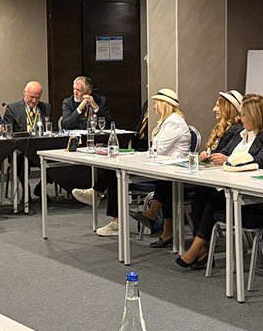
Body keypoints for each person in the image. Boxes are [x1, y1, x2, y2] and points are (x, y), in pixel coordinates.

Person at [176, 93, 263, 269]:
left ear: (254, 115)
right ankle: (203, 250)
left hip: (253, 193)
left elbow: (261, 161)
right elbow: (224, 151)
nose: (240, 118)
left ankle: (195, 249)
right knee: (199, 196)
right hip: (231, 184)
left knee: (213, 201)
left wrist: (228, 160)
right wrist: (209, 156)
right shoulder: (241, 133)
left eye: (243, 115)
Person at [74, 88, 189, 240]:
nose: (153, 108)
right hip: (159, 166)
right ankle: (102, 202)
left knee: (117, 172)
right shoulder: (166, 122)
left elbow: (158, 149)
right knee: (114, 168)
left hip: (169, 170)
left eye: (156, 104)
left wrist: (141, 154)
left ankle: (99, 198)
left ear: (164, 105)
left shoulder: (174, 122)